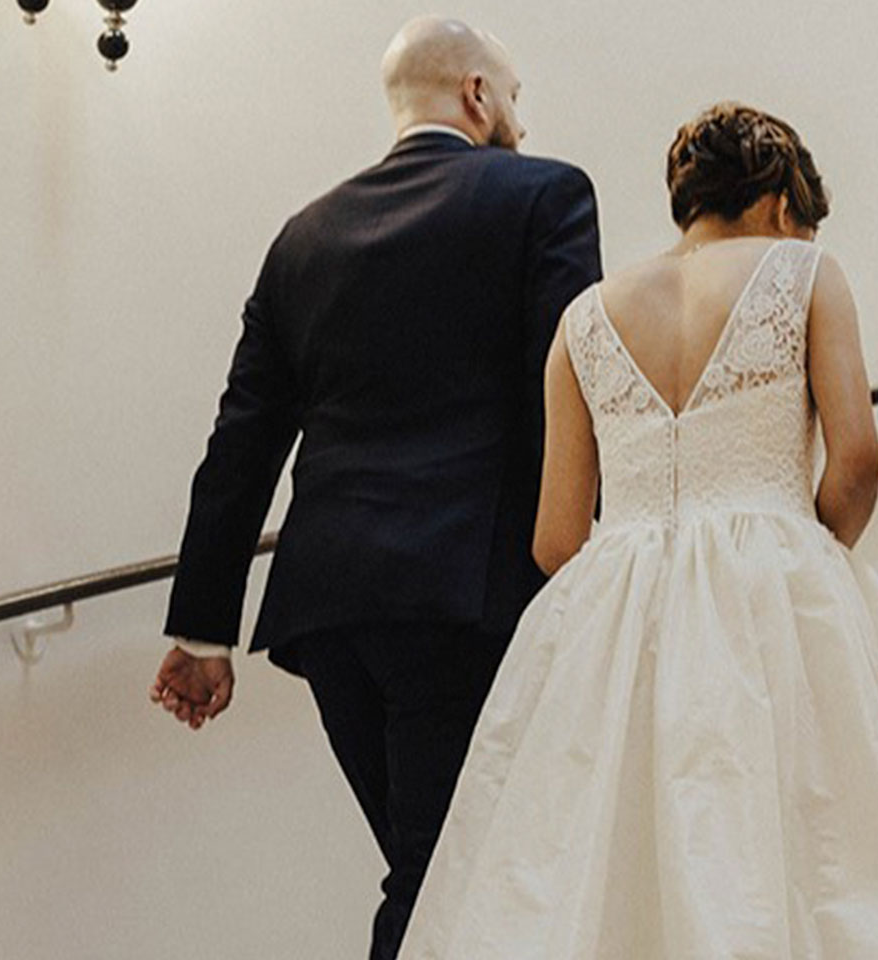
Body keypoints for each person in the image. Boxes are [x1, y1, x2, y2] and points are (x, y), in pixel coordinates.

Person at [399, 102, 878, 960]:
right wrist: (808, 542)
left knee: (614, 860)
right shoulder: (806, 274)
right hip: (775, 576)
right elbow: (858, 461)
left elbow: (555, 537)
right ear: (778, 202)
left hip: (619, 599)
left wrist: (638, 568)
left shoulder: (582, 320)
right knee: (805, 847)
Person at [147, 17, 601, 960]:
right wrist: (597, 569)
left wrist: (202, 628)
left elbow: (241, 442)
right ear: (477, 92)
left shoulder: (303, 238)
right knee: (445, 879)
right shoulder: (545, 194)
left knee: (446, 869)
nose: (518, 117)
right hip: (466, 598)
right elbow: (563, 392)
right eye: (513, 95)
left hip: (331, 614)